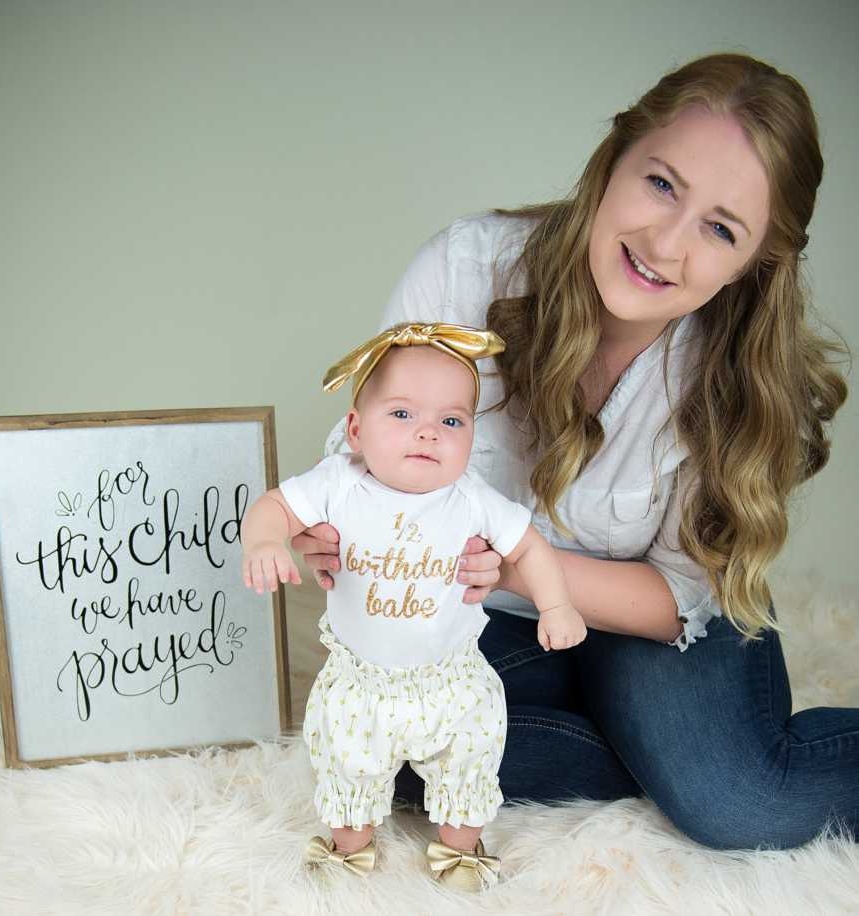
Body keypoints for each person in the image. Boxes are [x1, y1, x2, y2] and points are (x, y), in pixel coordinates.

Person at [294, 52, 859, 851]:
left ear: (754, 260)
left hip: (654, 622)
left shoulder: (734, 377)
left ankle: (680, 754)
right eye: (661, 184)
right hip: (493, 615)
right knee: (405, 765)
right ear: (613, 159)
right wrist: (331, 531)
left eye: (721, 228)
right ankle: (644, 747)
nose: (665, 244)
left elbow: (676, 599)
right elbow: (362, 464)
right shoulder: (464, 271)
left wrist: (521, 565)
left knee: (737, 803)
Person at [241, 323, 586, 890]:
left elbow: (529, 545)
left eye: (451, 421)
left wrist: (556, 605)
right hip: (362, 683)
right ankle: (349, 848)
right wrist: (264, 542)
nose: (428, 433)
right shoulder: (339, 483)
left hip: (452, 681)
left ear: (472, 437)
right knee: (349, 765)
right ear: (355, 429)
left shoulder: (470, 497)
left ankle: (461, 850)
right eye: (401, 415)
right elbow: (275, 506)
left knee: (468, 764)